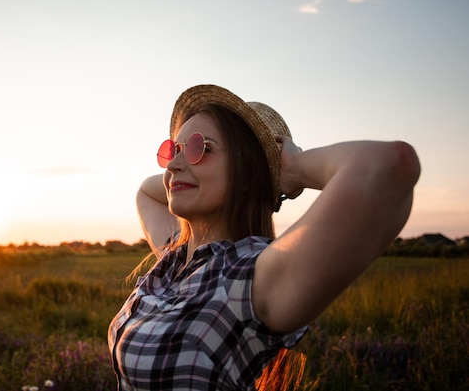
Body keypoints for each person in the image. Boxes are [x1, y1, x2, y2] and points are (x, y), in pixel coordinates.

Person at [108, 84, 421, 391]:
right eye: (173, 149)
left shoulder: (249, 277)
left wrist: (292, 168)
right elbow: (147, 193)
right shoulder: (175, 256)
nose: (174, 164)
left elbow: (389, 165)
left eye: (198, 147)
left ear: (246, 174)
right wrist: (185, 169)